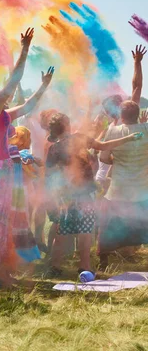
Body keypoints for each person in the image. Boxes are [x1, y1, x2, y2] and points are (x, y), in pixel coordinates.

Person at [0, 28, 54, 288]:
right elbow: (14, 82)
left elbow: (27, 106)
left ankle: (0, 272)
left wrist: (43, 86)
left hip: (2, 169)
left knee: (4, 221)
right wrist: (25, 48)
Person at [45, 113, 142, 276]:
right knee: (85, 229)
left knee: (62, 231)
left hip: (66, 195)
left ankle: (54, 266)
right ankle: (85, 266)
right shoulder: (78, 138)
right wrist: (129, 138)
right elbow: (104, 146)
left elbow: (49, 174)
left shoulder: (54, 149)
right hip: (83, 191)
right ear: (67, 124)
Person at [98, 45, 148, 269]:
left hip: (118, 189)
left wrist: (115, 160)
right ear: (138, 113)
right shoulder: (146, 130)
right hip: (141, 189)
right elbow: (137, 86)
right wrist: (138, 62)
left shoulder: (112, 131)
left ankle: (103, 260)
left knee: (110, 226)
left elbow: (104, 157)